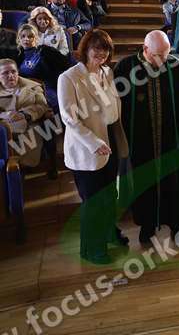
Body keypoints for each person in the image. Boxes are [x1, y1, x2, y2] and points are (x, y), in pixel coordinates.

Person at [114, 31, 179, 244]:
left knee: (174, 181)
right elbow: (114, 104)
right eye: (157, 55)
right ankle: (147, 226)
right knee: (144, 183)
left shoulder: (174, 65)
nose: (161, 61)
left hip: (171, 138)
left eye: (165, 55)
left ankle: (176, 224)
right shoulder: (126, 68)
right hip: (140, 141)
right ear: (145, 49)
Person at [58, 30, 129, 264]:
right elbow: (69, 118)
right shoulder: (68, 78)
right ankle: (91, 249)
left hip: (110, 139)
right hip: (87, 146)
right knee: (93, 201)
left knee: (109, 194)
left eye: (105, 49)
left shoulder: (107, 72)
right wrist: (93, 142)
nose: (101, 54)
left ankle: (108, 232)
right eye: (96, 48)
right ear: (85, 49)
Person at [0, 59, 49, 168]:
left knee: (34, 133)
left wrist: (25, 114)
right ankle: (7, 167)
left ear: (18, 72)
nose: (10, 75)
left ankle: (18, 167)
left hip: (28, 123)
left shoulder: (33, 87)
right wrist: (4, 115)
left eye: (13, 71)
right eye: (5, 73)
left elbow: (43, 106)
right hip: (3, 126)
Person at [14, 24, 70, 112]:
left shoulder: (45, 51)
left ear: (36, 38)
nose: (26, 39)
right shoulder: (18, 56)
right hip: (26, 91)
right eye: (23, 36)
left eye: (30, 36)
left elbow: (66, 65)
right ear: (19, 39)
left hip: (47, 89)